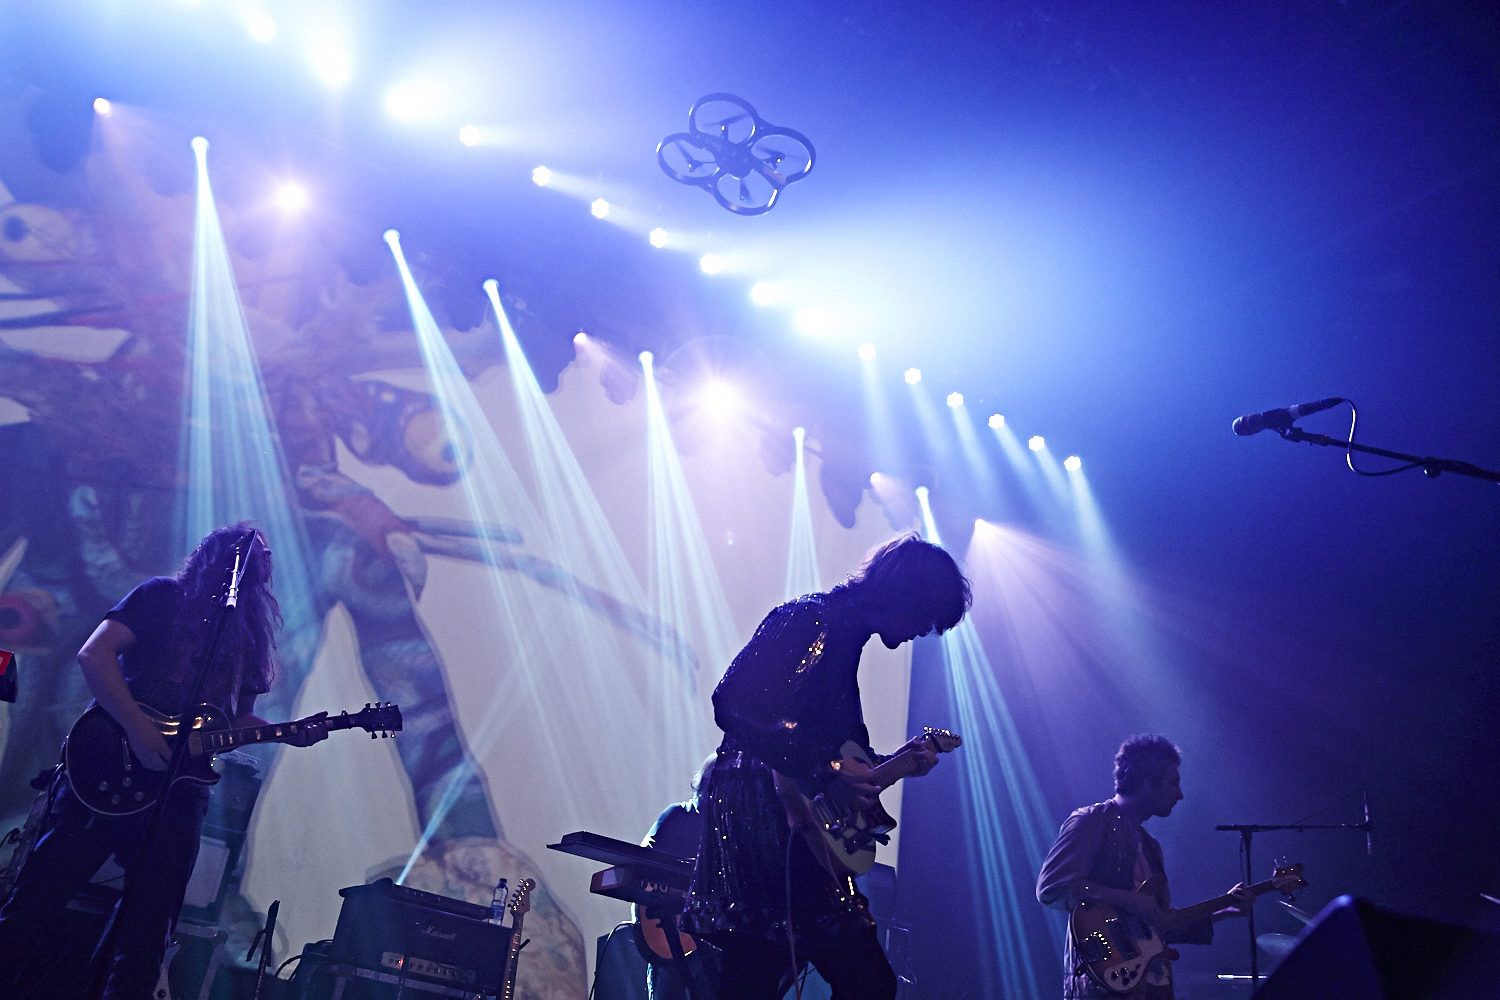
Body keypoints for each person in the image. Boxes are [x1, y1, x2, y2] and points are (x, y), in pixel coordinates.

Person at [0, 523, 324, 1000]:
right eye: (239, 554)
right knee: (35, 902)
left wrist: (288, 734)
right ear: (212, 556)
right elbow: (95, 654)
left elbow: (238, 717)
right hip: (108, 767)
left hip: (177, 795)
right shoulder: (160, 597)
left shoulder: (251, 636)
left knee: (148, 932)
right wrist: (135, 725)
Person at [685, 533, 971, 1000]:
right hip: (765, 820)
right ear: (905, 594)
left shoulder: (846, 638)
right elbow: (732, 700)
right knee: (858, 980)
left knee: (761, 976)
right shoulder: (809, 617)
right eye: (926, 615)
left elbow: (837, 759)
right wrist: (823, 769)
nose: (925, 631)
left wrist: (893, 766)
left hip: (791, 824)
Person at [1036, 734, 1254, 999]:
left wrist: (1224, 911)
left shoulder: (1150, 846)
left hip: (1151, 986)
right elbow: (1052, 887)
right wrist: (1128, 899)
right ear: (1149, 783)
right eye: (1174, 783)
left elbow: (1156, 926)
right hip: (1102, 987)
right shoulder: (1091, 822)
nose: (1180, 794)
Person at [639, 754, 720, 1000]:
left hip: (717, 941)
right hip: (672, 935)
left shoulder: (734, 830)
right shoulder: (678, 815)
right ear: (708, 782)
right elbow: (642, 864)